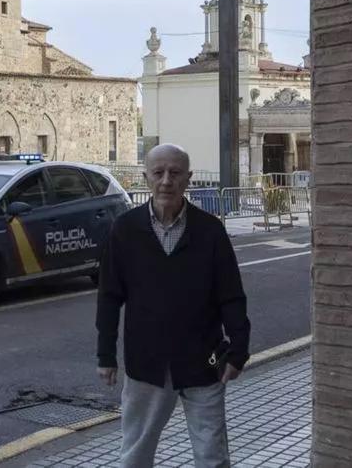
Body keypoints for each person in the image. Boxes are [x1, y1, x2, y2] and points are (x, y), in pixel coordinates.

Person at [96, 144, 250, 468]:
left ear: (188, 179)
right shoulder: (125, 230)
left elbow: (231, 296)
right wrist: (105, 355)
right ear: (146, 178)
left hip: (204, 362)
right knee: (135, 454)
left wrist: (239, 350)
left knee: (213, 456)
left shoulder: (210, 231)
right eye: (158, 173)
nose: (166, 180)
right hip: (145, 365)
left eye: (175, 173)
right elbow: (110, 297)